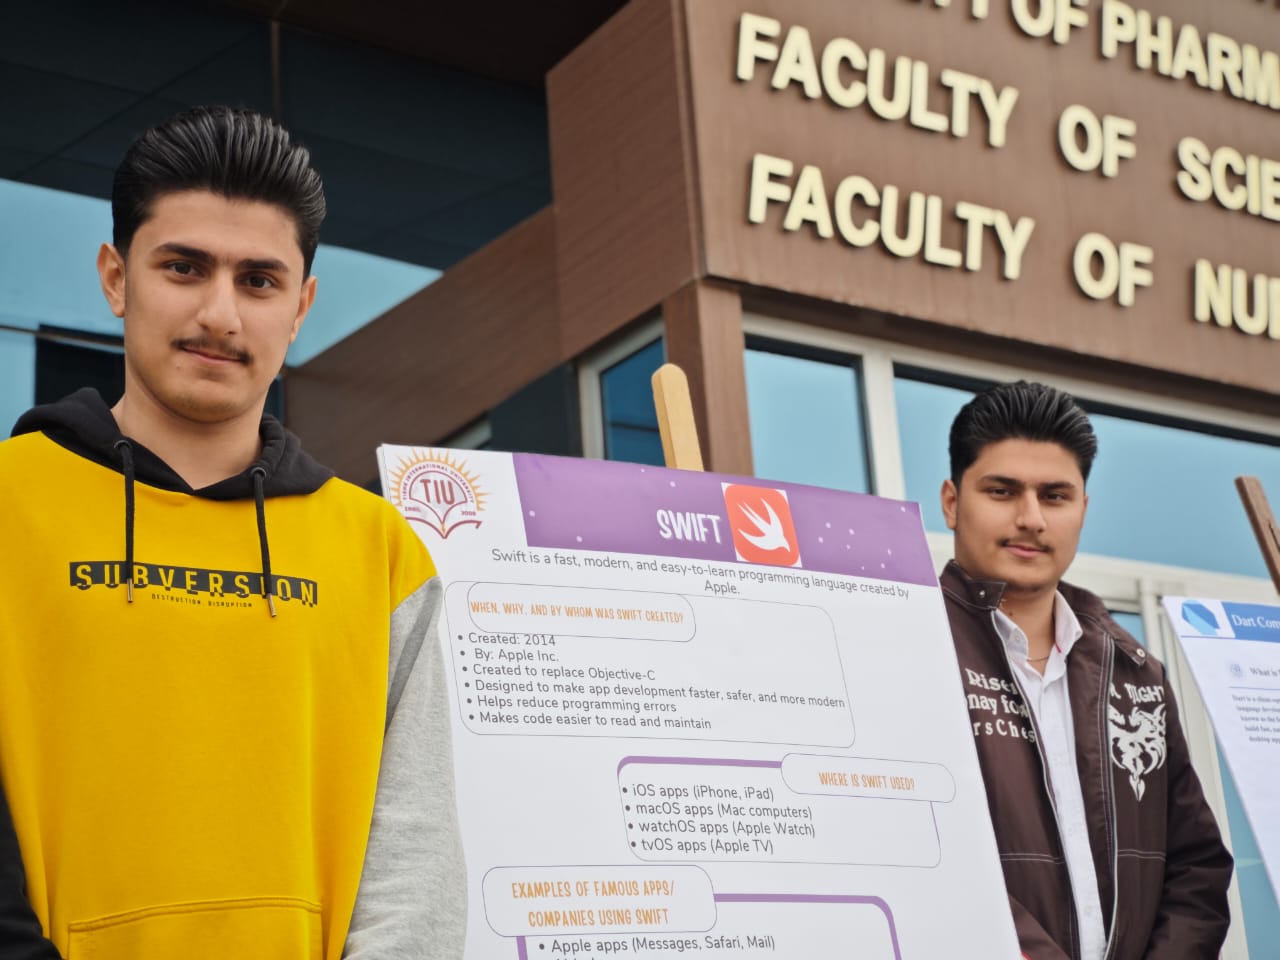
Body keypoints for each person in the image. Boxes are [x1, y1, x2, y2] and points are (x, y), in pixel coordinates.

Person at [0, 106, 465, 958]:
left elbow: (415, 860)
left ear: (300, 306)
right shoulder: (9, 502)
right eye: (184, 267)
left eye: (258, 281)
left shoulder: (379, 550)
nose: (220, 313)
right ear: (116, 279)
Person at [938, 380, 1232, 960]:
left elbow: (1196, 869)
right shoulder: (910, 649)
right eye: (1002, 491)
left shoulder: (1135, 675)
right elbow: (924, 849)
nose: (1030, 518)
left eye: (1054, 496)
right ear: (952, 502)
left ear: (1082, 510)